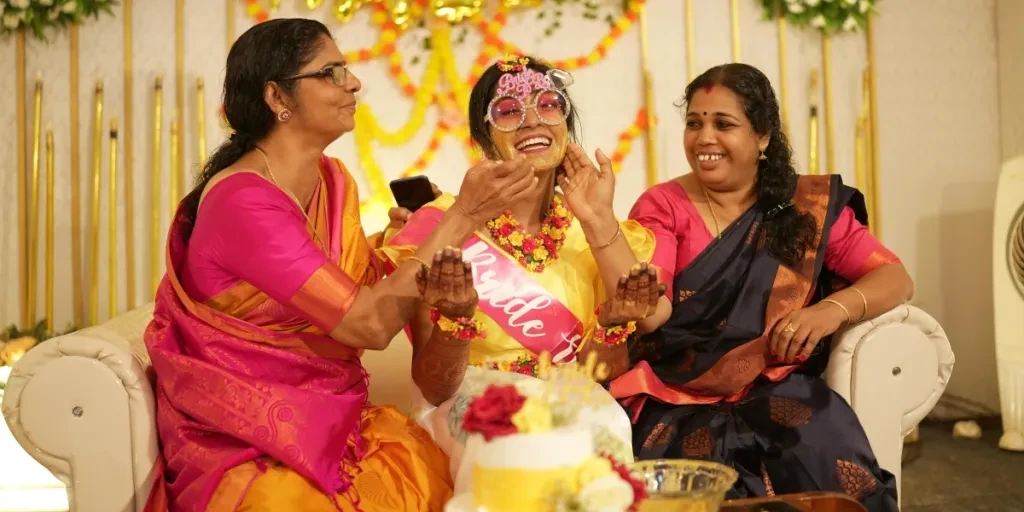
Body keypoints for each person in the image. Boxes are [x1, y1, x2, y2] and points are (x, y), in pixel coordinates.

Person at [143, 19, 540, 511]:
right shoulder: (243, 201)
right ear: (276, 97)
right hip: (248, 441)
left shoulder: (329, 180)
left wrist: (404, 239)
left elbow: (353, 282)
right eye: (331, 72)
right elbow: (368, 324)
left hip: (326, 422)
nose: (353, 83)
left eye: (346, 70)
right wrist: (464, 215)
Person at [610, 63, 911, 511]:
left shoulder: (804, 205)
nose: (704, 138)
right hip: (675, 393)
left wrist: (830, 311)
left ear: (763, 136)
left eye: (723, 124)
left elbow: (895, 278)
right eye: (694, 123)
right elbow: (656, 305)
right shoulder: (663, 204)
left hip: (776, 385)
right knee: (693, 483)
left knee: (824, 455)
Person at [380, 55, 664, 488]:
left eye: (548, 105)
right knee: (519, 447)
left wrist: (613, 326)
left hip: (570, 392)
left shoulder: (587, 229)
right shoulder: (442, 226)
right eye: (509, 112)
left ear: (566, 122)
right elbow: (436, 389)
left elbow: (598, 373)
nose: (532, 121)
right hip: (470, 397)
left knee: (608, 429)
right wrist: (455, 323)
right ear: (483, 136)